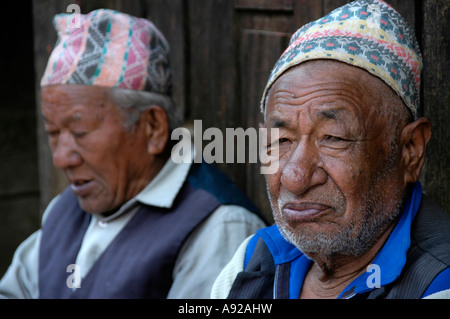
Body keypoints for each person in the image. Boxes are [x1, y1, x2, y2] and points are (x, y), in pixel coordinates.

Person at [0, 9, 266, 299]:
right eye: (53, 133)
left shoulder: (218, 227)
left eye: (80, 133)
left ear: (153, 128)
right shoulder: (64, 210)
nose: (61, 158)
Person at [211, 0, 450, 299]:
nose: (294, 178)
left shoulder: (438, 283)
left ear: (409, 150)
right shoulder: (255, 259)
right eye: (281, 141)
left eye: (333, 138)